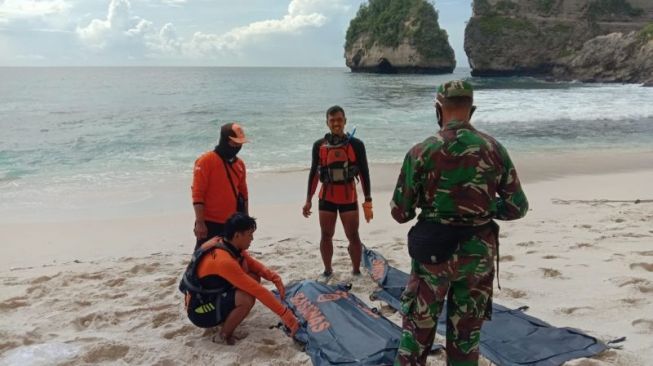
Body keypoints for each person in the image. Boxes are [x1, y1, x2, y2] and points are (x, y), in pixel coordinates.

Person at [390, 80, 529, 365]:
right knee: (465, 339)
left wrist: (431, 206)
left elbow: (400, 212)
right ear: (472, 110)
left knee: (416, 335)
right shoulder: (494, 149)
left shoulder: (422, 151)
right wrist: (484, 207)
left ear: (438, 110)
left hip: (433, 255)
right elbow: (518, 206)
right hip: (477, 255)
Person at [179, 213, 300, 344]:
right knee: (246, 298)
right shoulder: (224, 261)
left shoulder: (226, 242)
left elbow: (252, 264)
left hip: (207, 296)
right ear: (237, 235)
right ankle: (223, 336)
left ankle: (226, 319)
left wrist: (275, 278)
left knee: (253, 276)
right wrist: (287, 316)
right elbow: (258, 291)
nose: (252, 239)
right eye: (249, 235)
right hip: (199, 312)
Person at [303, 105, 373, 280]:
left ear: (345, 121)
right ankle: (327, 270)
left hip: (348, 197)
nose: (336, 123)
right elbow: (313, 173)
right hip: (326, 197)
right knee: (326, 235)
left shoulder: (356, 145)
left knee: (353, 235)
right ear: (327, 123)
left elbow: (364, 173)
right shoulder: (319, 145)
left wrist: (368, 200)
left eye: (339, 120)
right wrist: (308, 199)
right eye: (332, 120)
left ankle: (356, 271)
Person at [192, 122, 249, 250]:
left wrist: (246, 220)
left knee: (233, 257)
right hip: (209, 222)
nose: (237, 147)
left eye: (240, 144)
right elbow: (198, 194)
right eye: (234, 143)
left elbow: (243, 194)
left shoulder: (239, 164)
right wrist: (200, 223)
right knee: (202, 257)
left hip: (232, 222)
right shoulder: (205, 161)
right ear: (224, 140)